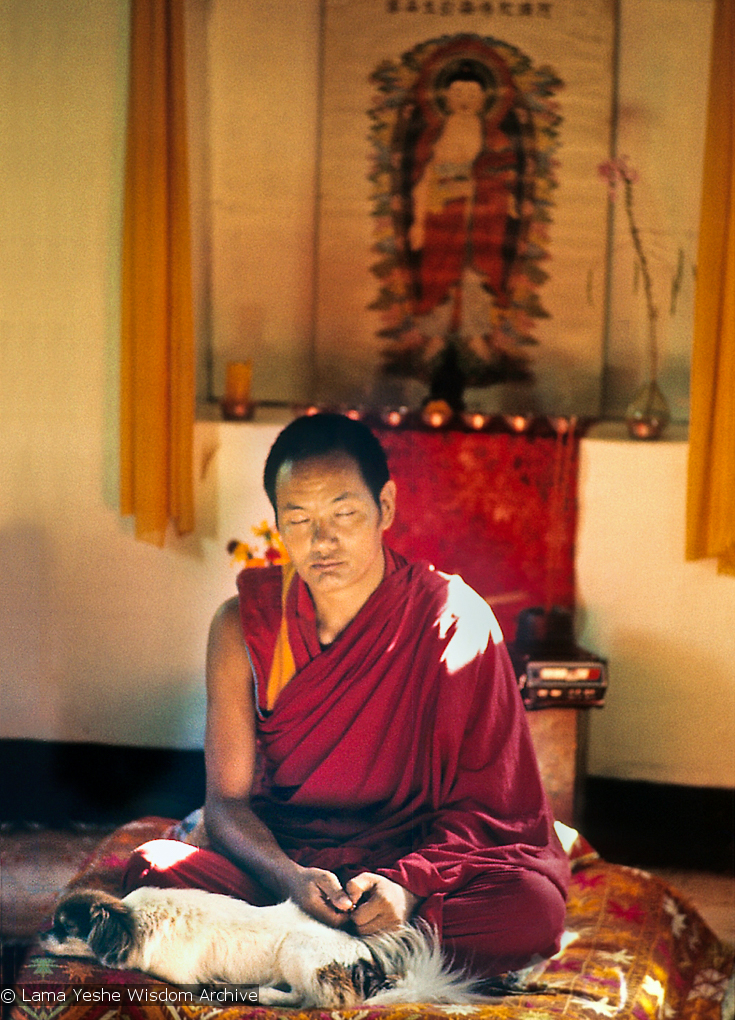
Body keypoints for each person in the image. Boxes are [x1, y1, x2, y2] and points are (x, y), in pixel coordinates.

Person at [124, 413, 570, 977]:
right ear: (279, 525)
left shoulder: (455, 622)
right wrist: (290, 879)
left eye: (344, 514)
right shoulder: (244, 626)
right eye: (300, 519)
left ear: (385, 506)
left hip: (411, 866)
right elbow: (228, 805)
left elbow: (491, 810)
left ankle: (286, 950)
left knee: (531, 911)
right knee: (154, 870)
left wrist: (404, 887)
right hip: (287, 867)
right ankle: (355, 957)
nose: (322, 540)